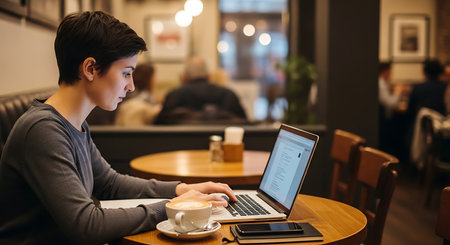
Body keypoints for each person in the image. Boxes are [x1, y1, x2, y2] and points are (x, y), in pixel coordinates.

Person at [0, 11, 236, 245]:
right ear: (90, 69)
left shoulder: (73, 123)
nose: (131, 86)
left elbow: (111, 183)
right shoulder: (43, 131)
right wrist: (173, 208)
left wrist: (181, 190)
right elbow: (86, 226)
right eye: (125, 73)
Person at [154, 56, 248, 124]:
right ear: (209, 76)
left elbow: (157, 127)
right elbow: (247, 125)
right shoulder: (228, 95)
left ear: (184, 78)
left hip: (179, 149)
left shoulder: (174, 96)